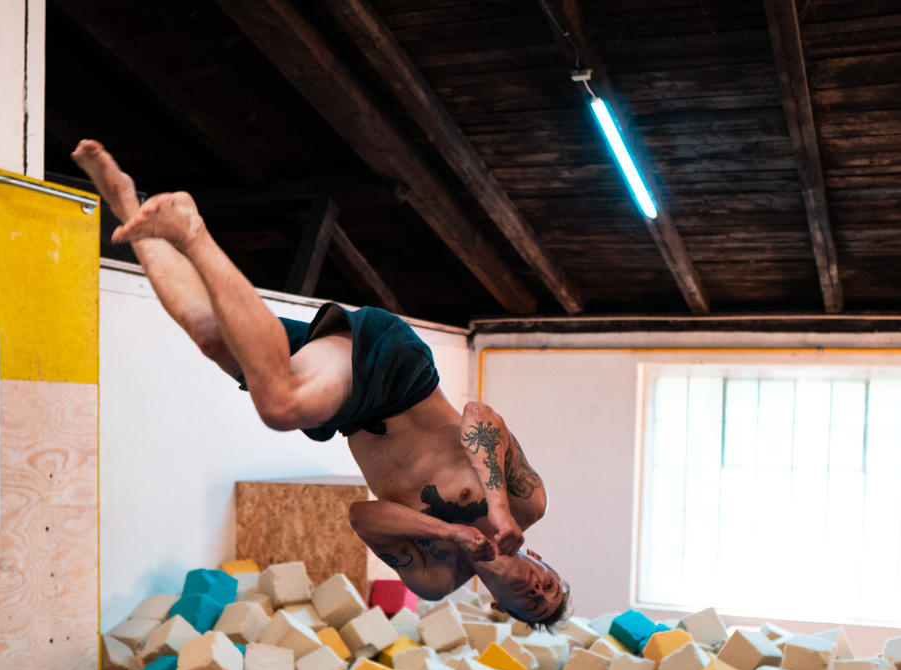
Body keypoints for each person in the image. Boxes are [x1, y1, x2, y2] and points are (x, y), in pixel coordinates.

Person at [72, 140, 571, 626]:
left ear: (502, 608)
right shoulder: (528, 503)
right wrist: (498, 509)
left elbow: (363, 515)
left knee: (210, 335)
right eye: (548, 586)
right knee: (280, 406)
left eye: (533, 606)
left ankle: (126, 204)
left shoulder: (437, 578)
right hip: (398, 373)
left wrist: (451, 534)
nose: (535, 591)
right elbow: (479, 416)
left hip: (349, 410)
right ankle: (191, 228)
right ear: (544, 563)